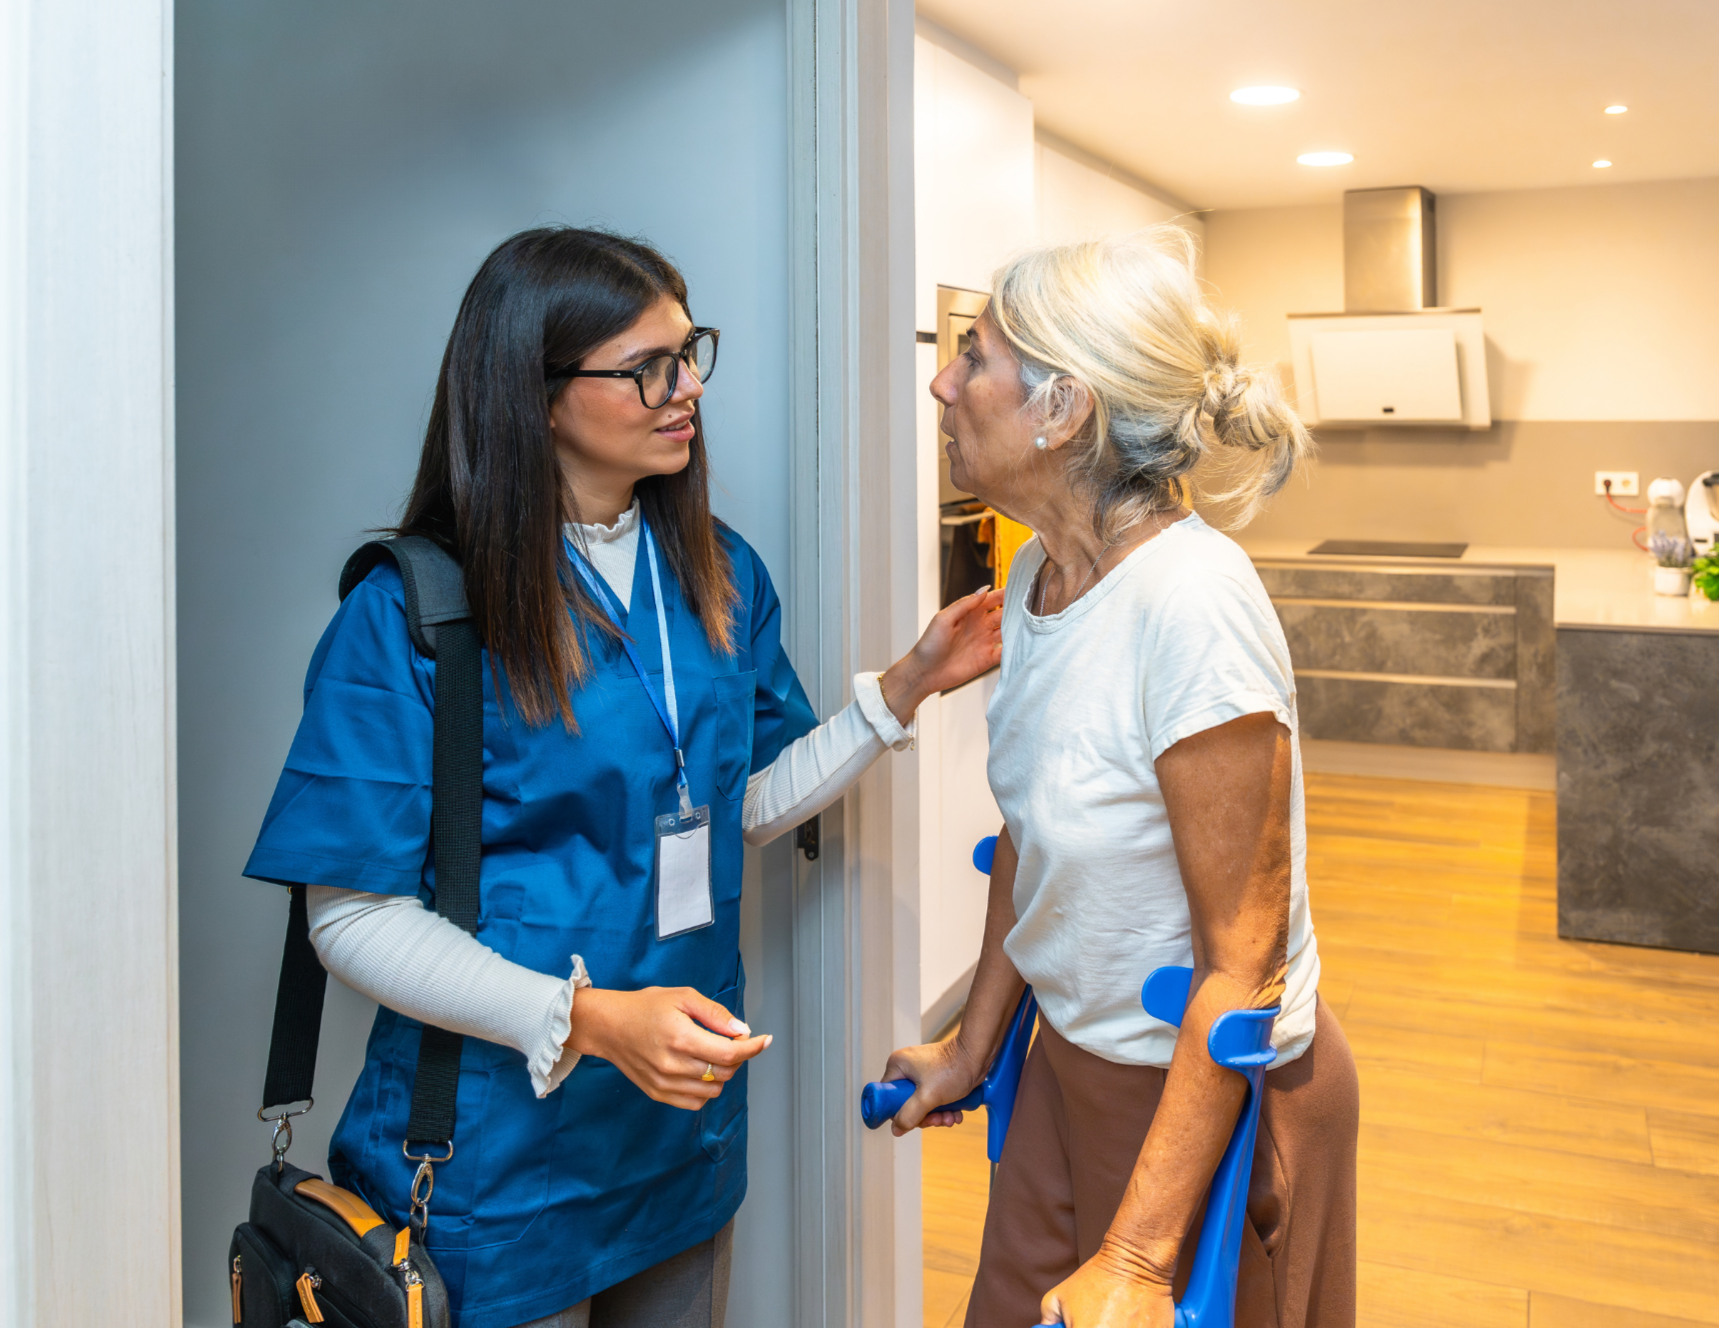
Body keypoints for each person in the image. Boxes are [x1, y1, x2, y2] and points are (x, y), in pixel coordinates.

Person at [243, 227, 1003, 1328]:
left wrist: (903, 691)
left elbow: (735, 803)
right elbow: (351, 914)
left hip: (674, 1136)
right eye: (648, 365)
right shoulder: (414, 610)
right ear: (537, 396)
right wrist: (590, 1018)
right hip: (496, 1158)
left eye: (690, 352)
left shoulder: (718, 570)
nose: (686, 386)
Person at [878, 227, 1360, 1328]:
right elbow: (1029, 843)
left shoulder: (1193, 605)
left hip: (1217, 1102)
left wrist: (1141, 1259)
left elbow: (1247, 959)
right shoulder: (1042, 572)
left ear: (1063, 410)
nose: (943, 380)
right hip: (1069, 1062)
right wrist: (972, 1044)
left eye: (977, 355)